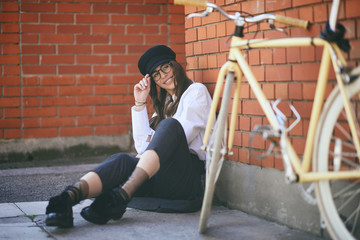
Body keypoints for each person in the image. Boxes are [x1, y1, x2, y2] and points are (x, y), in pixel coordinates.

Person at [45, 45, 213, 228]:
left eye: (165, 67)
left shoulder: (196, 91)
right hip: (159, 176)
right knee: (122, 160)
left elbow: (178, 137)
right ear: (155, 82)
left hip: (184, 180)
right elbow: (142, 146)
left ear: (175, 66)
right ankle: (66, 200)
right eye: (156, 74)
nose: (163, 75)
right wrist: (140, 103)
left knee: (170, 125)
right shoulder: (166, 105)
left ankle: (120, 197)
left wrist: (148, 149)